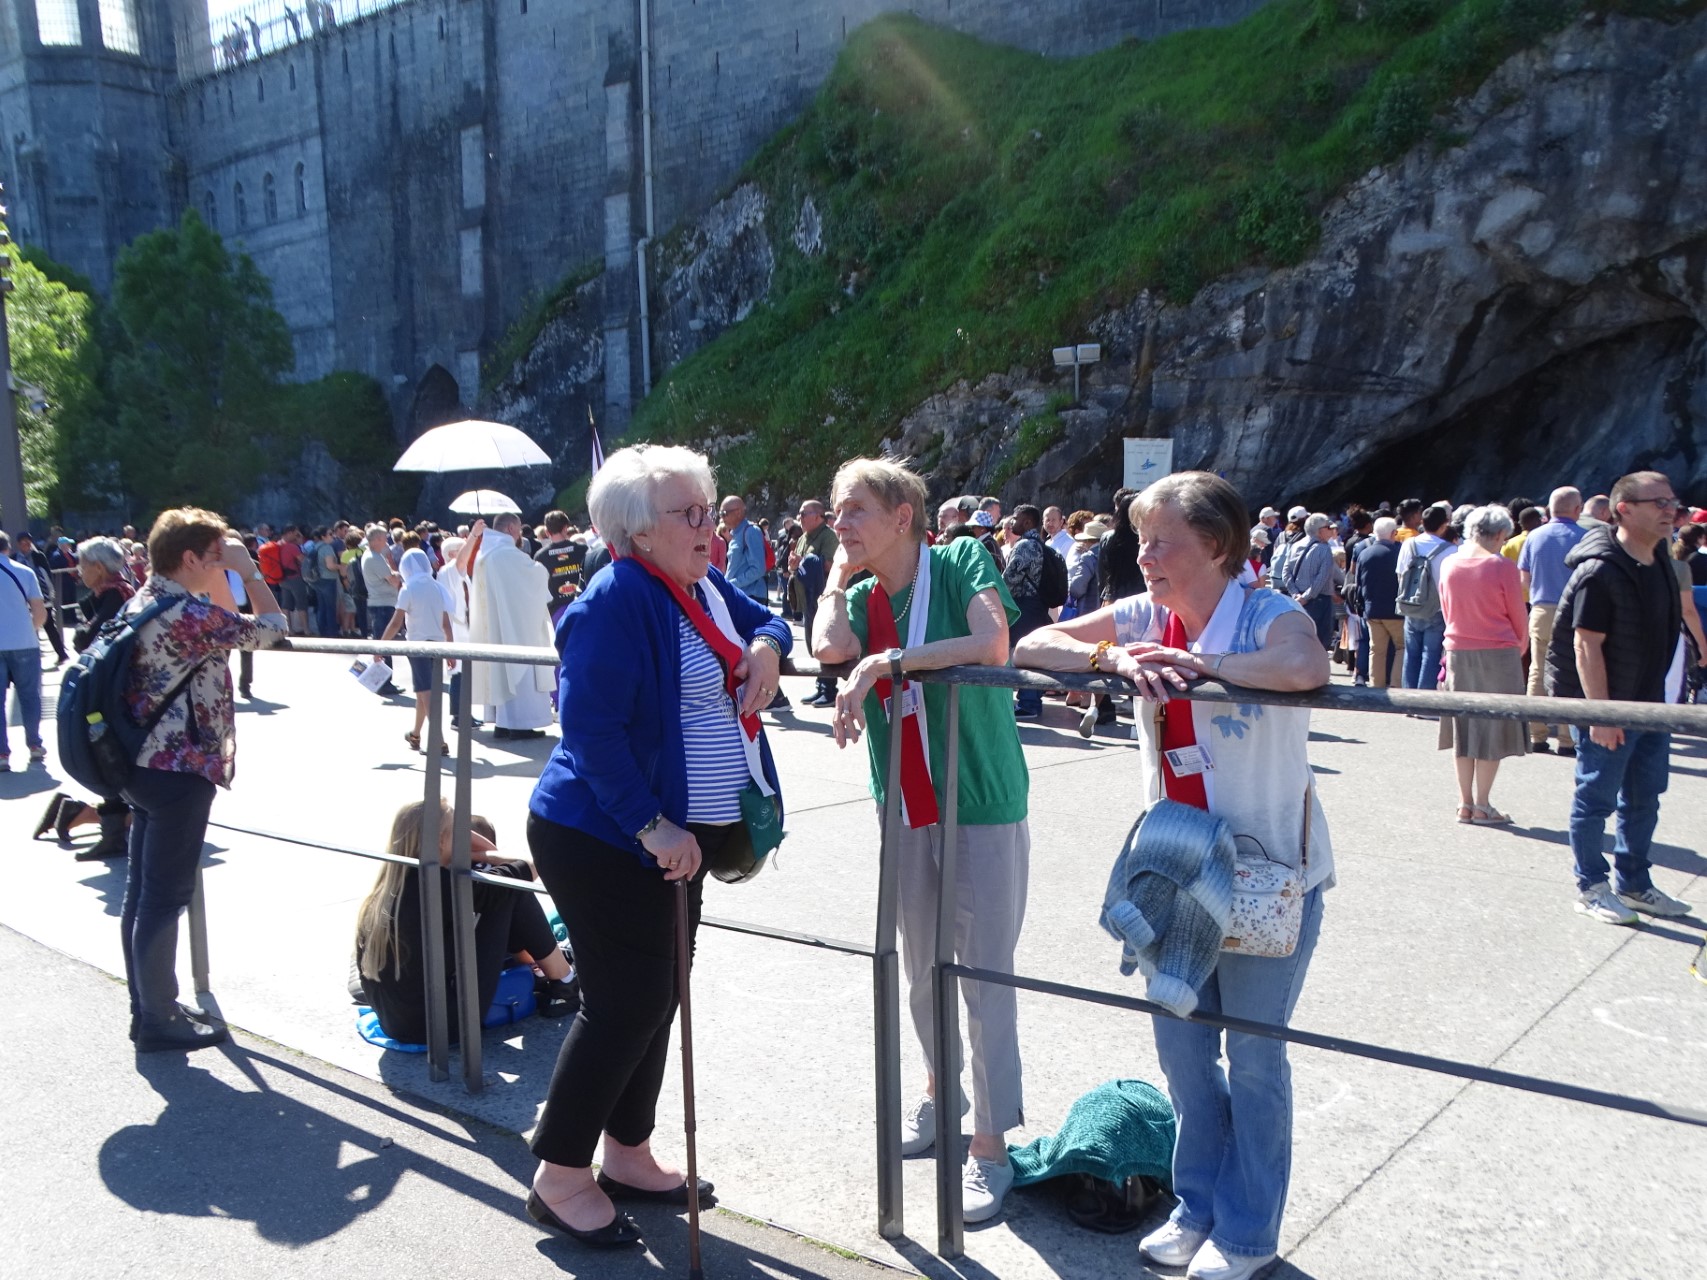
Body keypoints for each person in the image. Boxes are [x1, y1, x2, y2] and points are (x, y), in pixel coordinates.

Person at [1012, 471, 1333, 1280]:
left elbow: (1304, 665)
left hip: (1265, 874)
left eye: (1161, 542)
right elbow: (1030, 644)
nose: (1144, 556)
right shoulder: (1140, 616)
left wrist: (1197, 663)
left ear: (1216, 546)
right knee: (1184, 1055)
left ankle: (1248, 1234)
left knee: (1254, 1060)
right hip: (1177, 867)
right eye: (1140, 541)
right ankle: (1195, 1206)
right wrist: (1111, 655)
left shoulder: (1265, 612)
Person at [524, 444, 789, 1248]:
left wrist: (768, 648)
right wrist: (652, 825)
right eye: (689, 513)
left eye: (708, 507)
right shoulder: (615, 600)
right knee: (624, 1004)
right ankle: (560, 1176)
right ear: (637, 531)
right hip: (606, 838)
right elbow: (590, 731)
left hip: (672, 841)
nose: (710, 524)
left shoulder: (697, 582)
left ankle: (627, 1153)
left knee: (658, 994)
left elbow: (765, 618)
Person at [812, 456, 1030, 1226]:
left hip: (980, 796)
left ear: (902, 516)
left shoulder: (961, 557)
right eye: (835, 512)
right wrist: (837, 574)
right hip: (905, 802)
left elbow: (991, 643)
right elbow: (825, 647)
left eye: (854, 511)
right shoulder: (863, 595)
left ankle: (990, 1147)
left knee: (983, 975)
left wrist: (890, 662)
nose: (838, 523)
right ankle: (942, 1095)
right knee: (919, 968)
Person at [120, 508, 286, 1052]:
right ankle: (158, 1021)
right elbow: (273, 629)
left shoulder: (143, 601)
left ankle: (147, 1008)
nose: (222, 564)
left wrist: (226, 566)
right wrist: (250, 570)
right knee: (163, 898)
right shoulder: (187, 615)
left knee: (142, 894)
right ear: (189, 558)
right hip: (179, 768)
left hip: (138, 762)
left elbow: (226, 622)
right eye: (215, 556)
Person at [1547, 472, 1692, 926]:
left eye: (1672, 502)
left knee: (1645, 797)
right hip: (1608, 706)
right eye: (1659, 503)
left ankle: (1634, 884)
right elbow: (1584, 645)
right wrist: (1601, 713)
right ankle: (1591, 887)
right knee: (1596, 799)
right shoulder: (1600, 570)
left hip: (1650, 706)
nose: (1671, 511)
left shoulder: (1661, 560)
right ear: (1624, 509)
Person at [355, 800, 576, 1045]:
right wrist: (475, 854)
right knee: (509, 890)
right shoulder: (447, 887)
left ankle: (539, 972)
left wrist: (450, 837)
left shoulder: (385, 890)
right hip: (444, 1027)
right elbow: (530, 865)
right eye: (458, 828)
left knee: (498, 892)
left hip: (395, 1023)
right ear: (440, 840)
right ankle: (565, 982)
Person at [36, 538, 138, 858]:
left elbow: (89, 638)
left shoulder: (116, 594)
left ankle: (111, 830)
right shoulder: (108, 593)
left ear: (98, 567)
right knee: (104, 753)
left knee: (107, 753)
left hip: (113, 693)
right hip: (106, 689)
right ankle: (105, 823)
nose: (78, 571)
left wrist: (83, 632)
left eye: (82, 565)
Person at [1436, 506, 1529, 823]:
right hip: (1498, 652)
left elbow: (1446, 610)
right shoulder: (1501, 566)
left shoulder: (1449, 563)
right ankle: (1483, 805)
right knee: (1492, 729)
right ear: (1501, 534)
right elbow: (1518, 616)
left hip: (1458, 651)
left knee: (1463, 728)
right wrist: (1519, 647)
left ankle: (1464, 803)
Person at [466, 514, 555, 739]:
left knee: (500, 671)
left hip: (496, 625)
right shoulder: (507, 554)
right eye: (518, 530)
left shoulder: (485, 554)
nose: (519, 535)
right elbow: (535, 575)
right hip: (515, 626)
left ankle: (502, 723)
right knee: (519, 670)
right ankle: (519, 724)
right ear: (510, 528)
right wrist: (540, 569)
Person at [1519, 488, 1587, 754]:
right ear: (1577, 509)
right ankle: (1567, 738)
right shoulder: (1585, 537)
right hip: (1576, 611)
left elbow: (1524, 579)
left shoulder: (1534, 536)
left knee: (1537, 670)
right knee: (1571, 672)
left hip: (1541, 609)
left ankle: (1536, 734)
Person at [379, 549, 456, 754]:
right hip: (438, 646)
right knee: (423, 691)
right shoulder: (437, 587)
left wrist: (380, 647)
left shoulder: (408, 589)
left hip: (417, 645)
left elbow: (396, 623)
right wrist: (451, 650)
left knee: (425, 691)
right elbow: (446, 624)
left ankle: (438, 739)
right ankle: (415, 733)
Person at [0, 532, 47, 771]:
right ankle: (34, 744)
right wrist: (29, 629)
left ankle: (2, 753)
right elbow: (40, 612)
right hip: (24, 642)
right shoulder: (25, 572)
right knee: (29, 696)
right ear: (8, 548)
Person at [1002, 503, 1053, 719]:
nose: (1011, 522)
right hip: (1038, 606)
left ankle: (1029, 703)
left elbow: (1010, 579)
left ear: (1027, 522)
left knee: (1023, 654)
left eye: (1015, 518)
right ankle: (1032, 698)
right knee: (1033, 653)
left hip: (1024, 606)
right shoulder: (1041, 544)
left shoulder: (1024, 546)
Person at [1396, 505, 1455, 689]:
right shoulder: (1451, 550)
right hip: (1436, 608)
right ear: (1444, 525)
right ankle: (1424, 699)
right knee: (1431, 654)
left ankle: (1408, 696)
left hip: (1411, 605)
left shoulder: (1409, 544)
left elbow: (1400, 574)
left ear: (1422, 522)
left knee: (1411, 653)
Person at [790, 499, 841, 707]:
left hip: (823, 600)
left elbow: (831, 565)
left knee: (824, 645)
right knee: (813, 644)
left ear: (818, 517)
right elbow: (797, 562)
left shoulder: (828, 536)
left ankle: (829, 690)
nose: (800, 518)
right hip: (808, 600)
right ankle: (821, 686)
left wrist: (804, 562)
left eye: (804, 514)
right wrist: (794, 564)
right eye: (800, 514)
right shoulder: (804, 537)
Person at [1354, 517, 1406, 689]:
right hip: (1395, 610)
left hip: (1372, 610)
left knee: (1376, 650)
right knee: (1402, 647)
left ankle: (1376, 687)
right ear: (1393, 533)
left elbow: (1359, 583)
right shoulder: (1399, 553)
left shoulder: (1364, 553)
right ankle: (1396, 684)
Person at [1282, 514, 1338, 650]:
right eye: (1328, 527)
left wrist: (1295, 594)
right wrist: (1306, 597)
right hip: (1319, 600)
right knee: (1319, 644)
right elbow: (1322, 577)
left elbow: (1285, 572)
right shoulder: (1324, 549)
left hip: (1296, 600)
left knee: (1299, 641)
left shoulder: (1295, 545)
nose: (1332, 530)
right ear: (1320, 531)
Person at [14, 531, 69, 666]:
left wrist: (49, 594)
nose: (26, 545)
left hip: (40, 595)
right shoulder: (14, 558)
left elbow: (47, 575)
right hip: (22, 598)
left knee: (49, 625)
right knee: (28, 629)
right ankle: (32, 659)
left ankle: (62, 654)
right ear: (18, 544)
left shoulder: (38, 556)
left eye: (28, 542)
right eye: (23, 542)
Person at [361, 525, 404, 696]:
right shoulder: (375, 558)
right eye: (385, 537)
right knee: (384, 644)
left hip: (380, 603)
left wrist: (393, 575)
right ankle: (384, 683)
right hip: (383, 605)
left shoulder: (372, 556)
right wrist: (398, 576)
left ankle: (384, 682)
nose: (387, 541)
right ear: (377, 539)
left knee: (383, 642)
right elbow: (393, 581)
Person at [536, 509, 586, 624]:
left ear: (547, 532)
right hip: (582, 605)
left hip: (556, 611)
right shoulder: (583, 549)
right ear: (565, 528)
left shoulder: (541, 556)